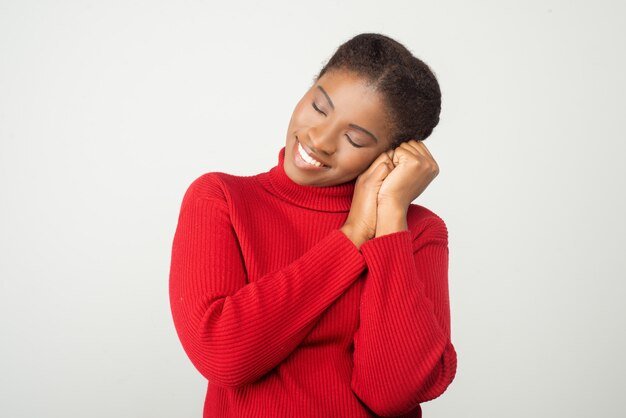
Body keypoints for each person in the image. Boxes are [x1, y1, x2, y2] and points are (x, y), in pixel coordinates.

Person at [169, 32, 457, 418]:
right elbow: (224, 357)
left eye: (354, 138)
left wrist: (389, 217)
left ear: (390, 155)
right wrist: (352, 235)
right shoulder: (221, 199)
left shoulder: (417, 232)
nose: (319, 139)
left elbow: (392, 392)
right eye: (320, 107)